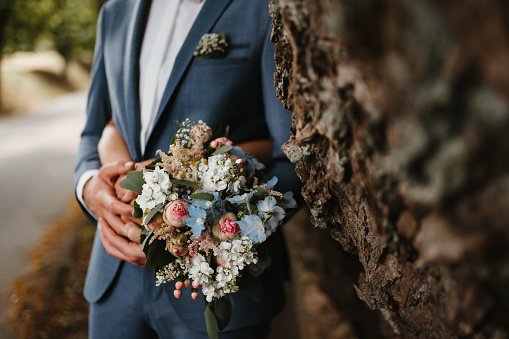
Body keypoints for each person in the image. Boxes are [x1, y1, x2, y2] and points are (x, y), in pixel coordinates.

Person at [74, 0, 301, 338]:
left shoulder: (266, 9)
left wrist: (209, 227)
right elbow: (94, 131)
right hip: (113, 279)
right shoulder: (115, 12)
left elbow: (294, 159)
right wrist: (89, 187)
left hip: (218, 294)